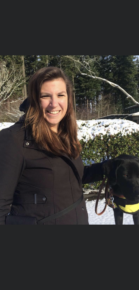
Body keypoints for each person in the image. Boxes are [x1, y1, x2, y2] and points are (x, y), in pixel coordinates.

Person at [0, 67, 106, 225]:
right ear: (35, 99)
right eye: (45, 96)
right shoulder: (14, 140)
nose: (54, 103)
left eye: (60, 95)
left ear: (69, 98)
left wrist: (107, 168)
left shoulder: (66, 135)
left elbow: (71, 178)